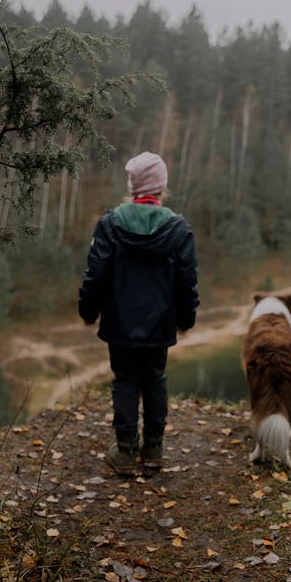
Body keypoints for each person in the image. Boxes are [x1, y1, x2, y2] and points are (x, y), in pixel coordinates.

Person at [78, 151, 199, 475]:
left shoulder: (110, 224)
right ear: (161, 187)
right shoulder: (178, 228)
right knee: (155, 379)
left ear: (133, 186)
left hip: (119, 322)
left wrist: (88, 311)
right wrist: (186, 320)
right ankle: (154, 449)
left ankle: (126, 452)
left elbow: (96, 274)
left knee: (126, 381)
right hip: (160, 324)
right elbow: (187, 281)